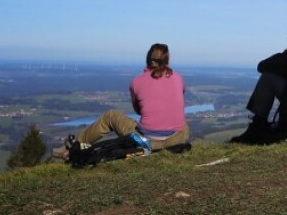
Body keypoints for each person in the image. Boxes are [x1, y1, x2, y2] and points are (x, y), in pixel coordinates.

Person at [54, 43, 189, 158]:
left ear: (147, 60)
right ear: (167, 60)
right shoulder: (178, 78)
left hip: (146, 141)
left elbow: (138, 110)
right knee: (182, 122)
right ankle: (166, 147)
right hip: (177, 139)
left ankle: (73, 146)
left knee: (111, 116)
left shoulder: (137, 82)